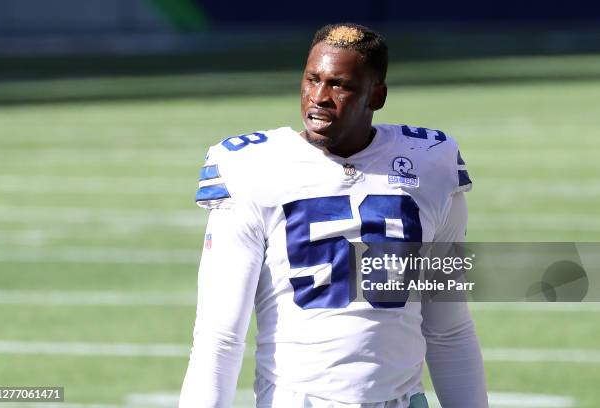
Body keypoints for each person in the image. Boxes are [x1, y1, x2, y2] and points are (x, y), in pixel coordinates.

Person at [179, 23, 488, 408]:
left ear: (378, 95)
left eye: (339, 85)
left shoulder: (432, 164)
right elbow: (220, 335)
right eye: (312, 80)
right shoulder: (250, 167)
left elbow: (448, 328)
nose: (319, 97)